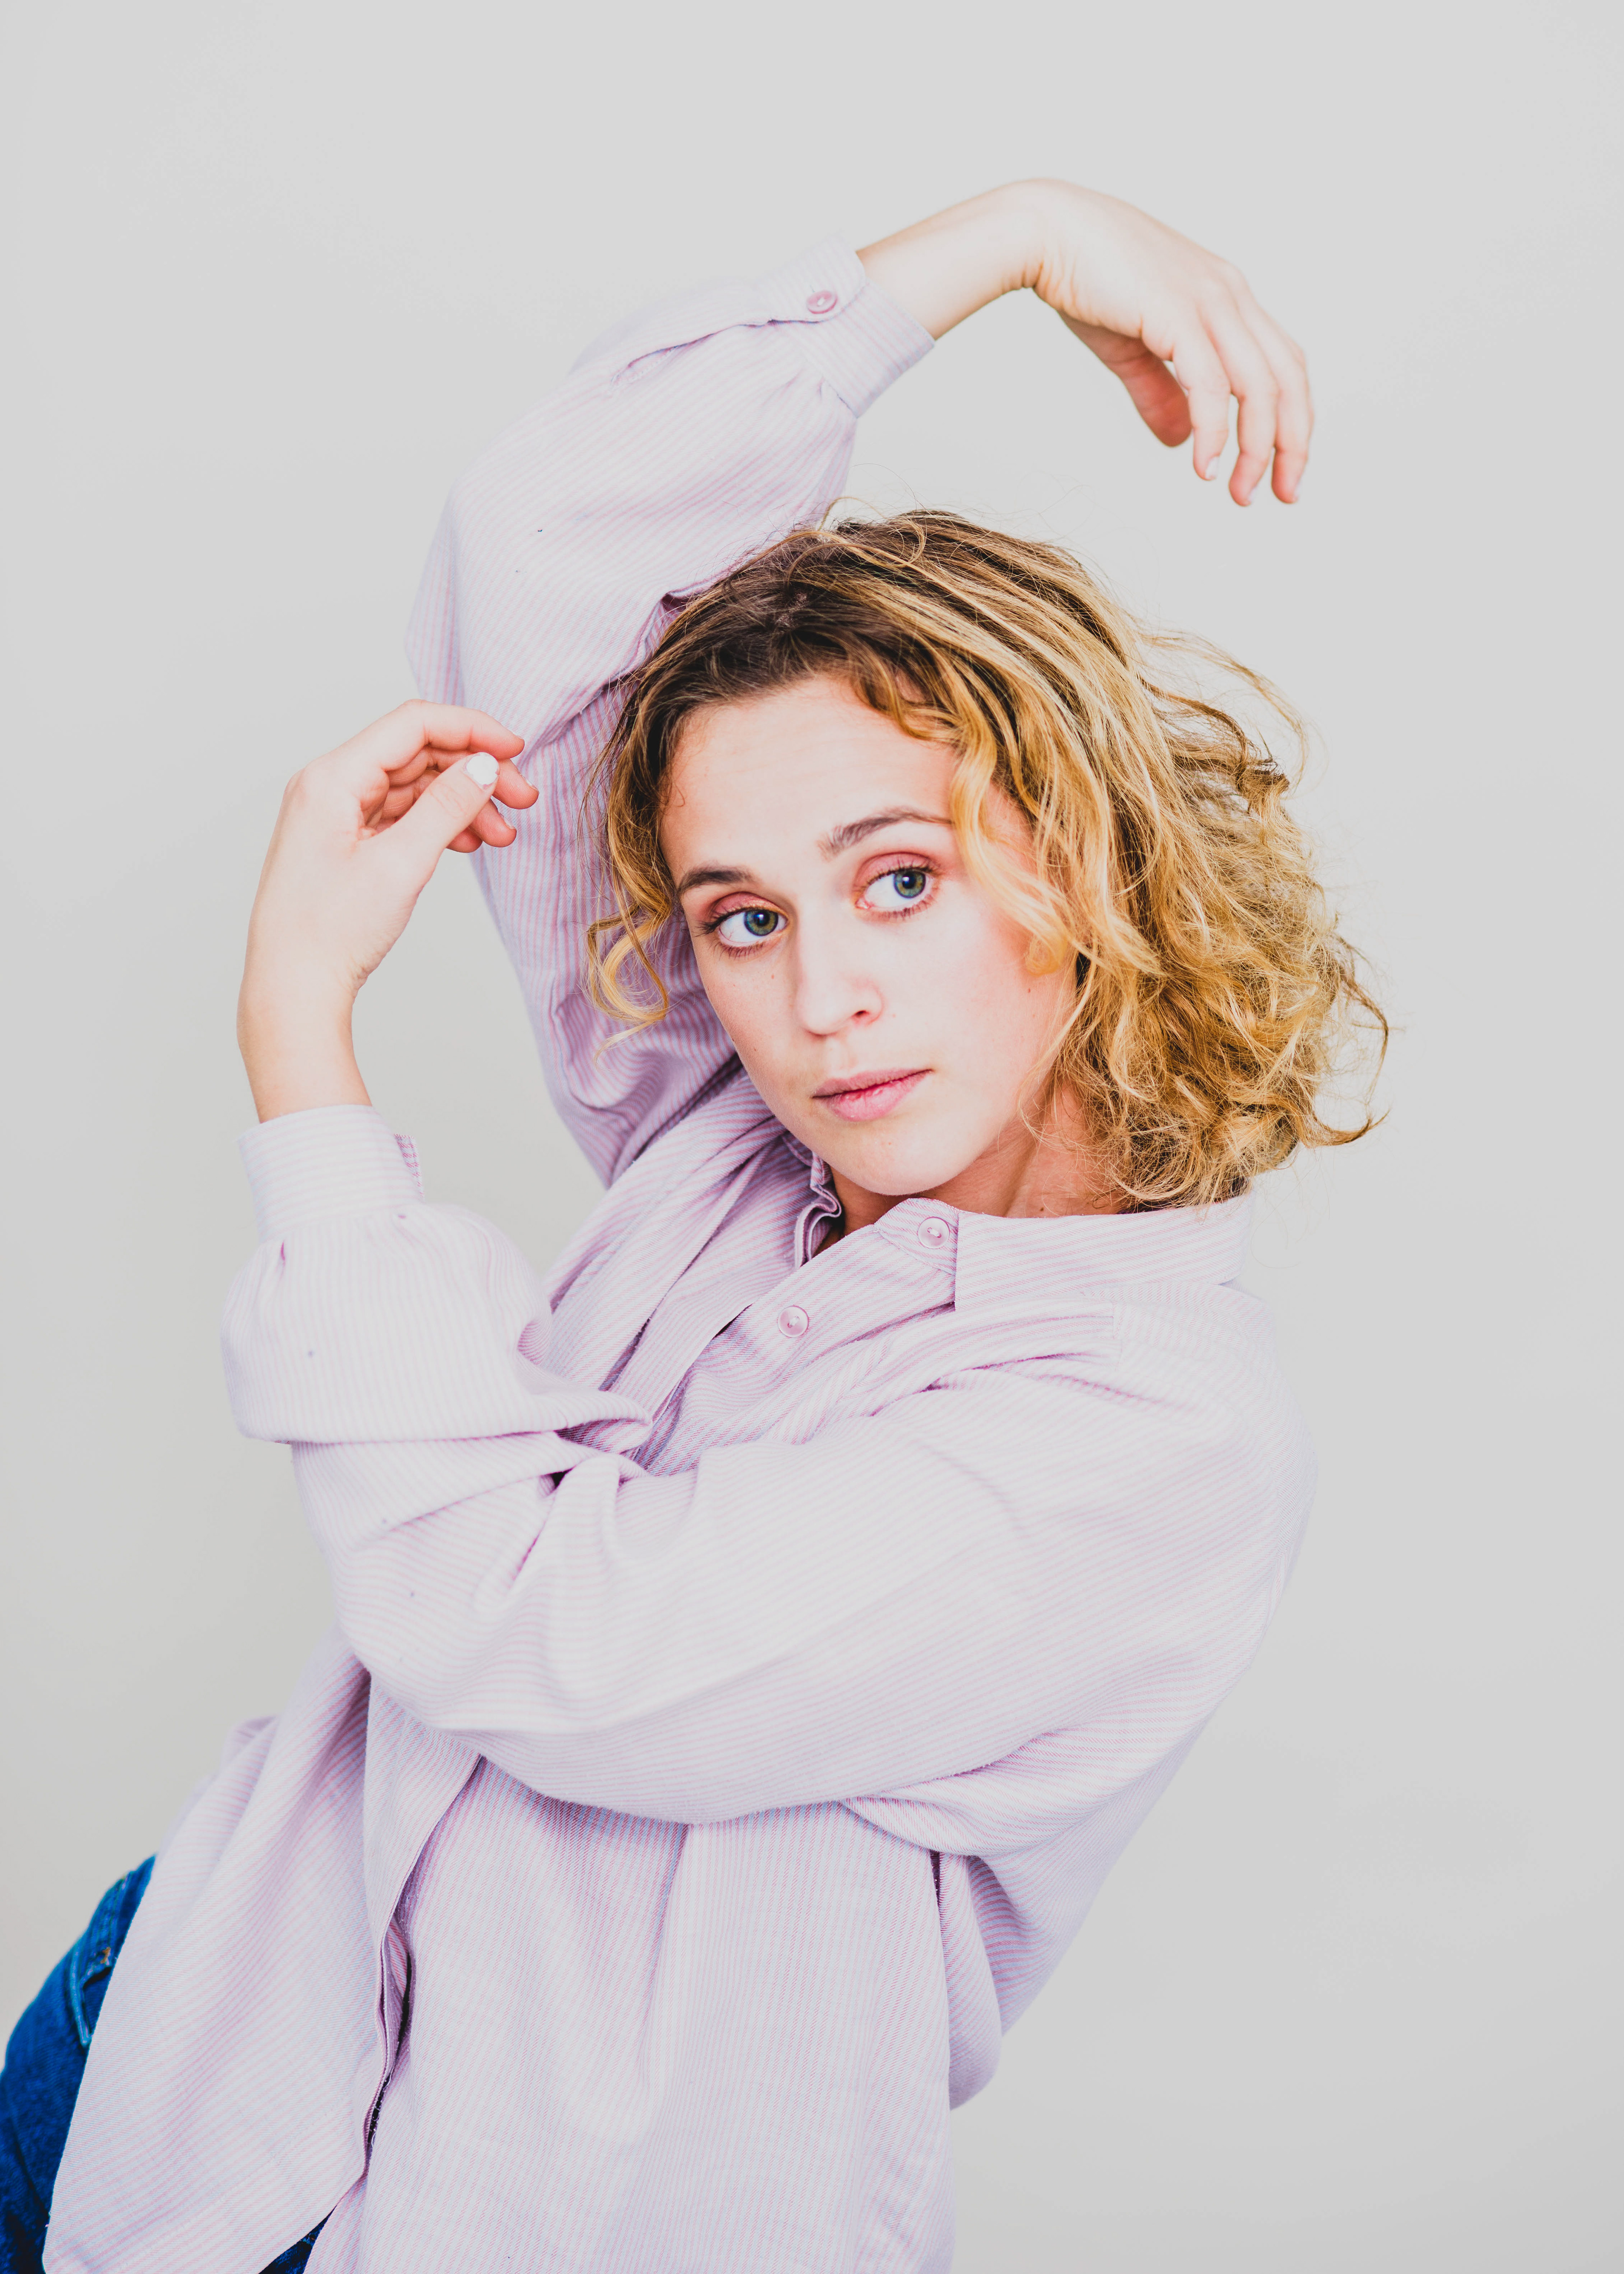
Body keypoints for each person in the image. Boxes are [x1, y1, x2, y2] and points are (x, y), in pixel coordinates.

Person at [2, 179, 1381, 2274]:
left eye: (901, 877)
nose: (823, 996)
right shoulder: (734, 1135)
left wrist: (299, 1039)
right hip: (171, 2053)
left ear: (1086, 858)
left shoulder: (1149, 1436)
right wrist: (1010, 239)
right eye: (743, 915)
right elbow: (545, 544)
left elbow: (536, 1623)